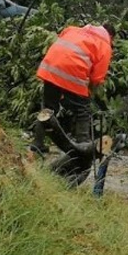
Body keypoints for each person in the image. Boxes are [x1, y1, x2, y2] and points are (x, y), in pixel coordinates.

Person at [32, 23, 115, 186]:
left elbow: (63, 46)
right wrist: (89, 93)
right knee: (83, 111)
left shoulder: (74, 29)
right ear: (111, 36)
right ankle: (82, 146)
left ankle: (37, 145)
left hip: (50, 67)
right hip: (71, 72)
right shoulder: (104, 45)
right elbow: (97, 78)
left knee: (48, 110)